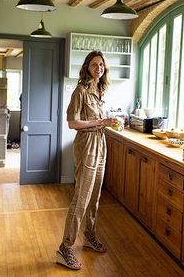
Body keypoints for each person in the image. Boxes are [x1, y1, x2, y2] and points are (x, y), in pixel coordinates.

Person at [56, 50, 118, 270]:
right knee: (81, 197)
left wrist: (105, 123)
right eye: (94, 64)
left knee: (95, 196)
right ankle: (65, 248)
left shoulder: (100, 91)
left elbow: (97, 121)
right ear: (87, 67)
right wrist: (102, 121)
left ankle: (90, 235)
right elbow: (73, 123)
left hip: (101, 144)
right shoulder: (80, 91)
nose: (98, 68)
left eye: (101, 65)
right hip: (87, 145)